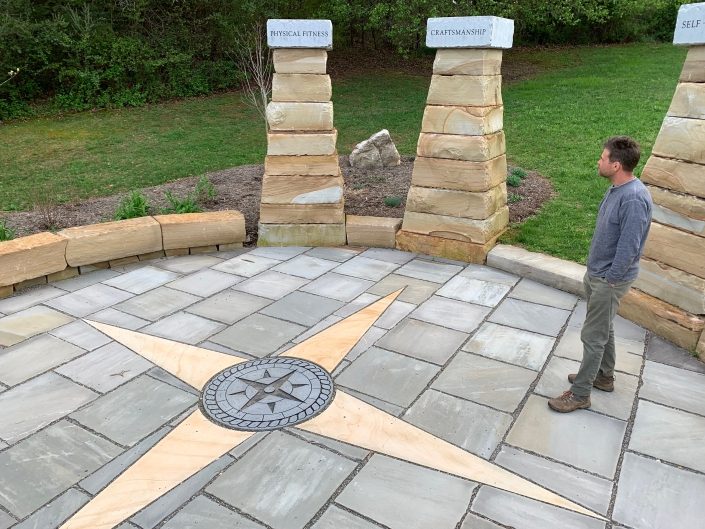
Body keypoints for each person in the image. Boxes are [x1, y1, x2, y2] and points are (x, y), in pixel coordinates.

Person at [548, 136, 652, 413]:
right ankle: (604, 376)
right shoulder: (617, 189)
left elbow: (629, 247)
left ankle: (580, 394)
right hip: (599, 273)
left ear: (616, 165)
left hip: (610, 279)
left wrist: (609, 279)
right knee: (603, 327)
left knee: (592, 336)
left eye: (602, 157)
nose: (598, 161)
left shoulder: (633, 198)